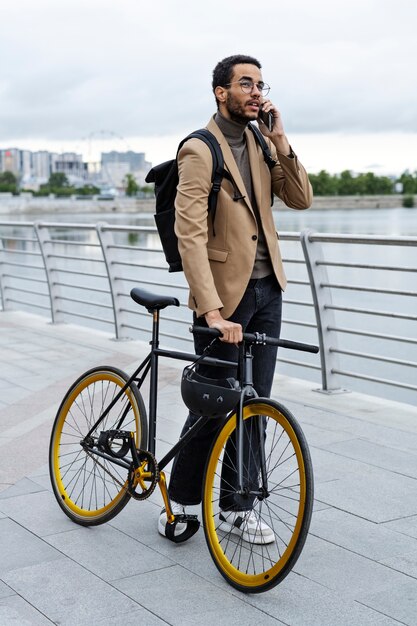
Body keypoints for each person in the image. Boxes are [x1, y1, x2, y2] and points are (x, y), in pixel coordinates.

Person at [158, 54, 312, 543]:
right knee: (213, 402)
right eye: (245, 83)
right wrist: (210, 310)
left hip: (269, 290)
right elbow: (190, 235)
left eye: (261, 84)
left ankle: (236, 506)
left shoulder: (262, 142)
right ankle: (180, 502)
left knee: (255, 403)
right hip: (225, 296)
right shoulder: (199, 149)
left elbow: (302, 198)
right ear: (221, 92)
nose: (255, 91)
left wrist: (280, 137)